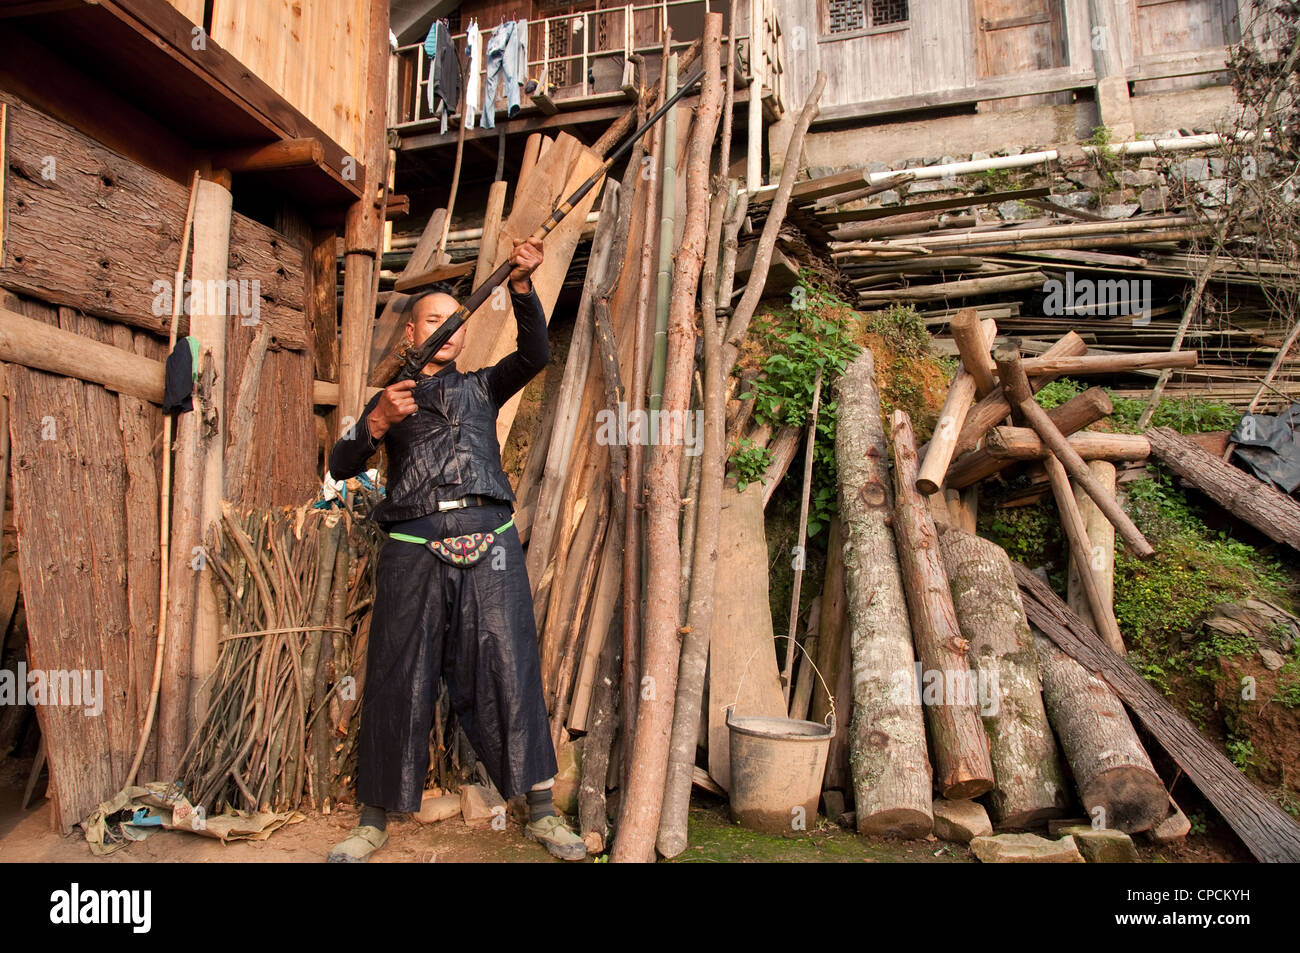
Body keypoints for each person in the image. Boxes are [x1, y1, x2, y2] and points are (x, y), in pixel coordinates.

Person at [325, 237, 586, 862]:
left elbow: (536, 352)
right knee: (397, 671)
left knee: (508, 665)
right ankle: (373, 821)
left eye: (454, 319)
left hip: (491, 543)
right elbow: (340, 464)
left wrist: (521, 287)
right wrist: (377, 425)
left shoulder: (482, 387)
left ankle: (542, 813)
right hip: (413, 544)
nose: (447, 328)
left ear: (465, 333)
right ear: (411, 334)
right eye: (433, 319)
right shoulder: (389, 398)